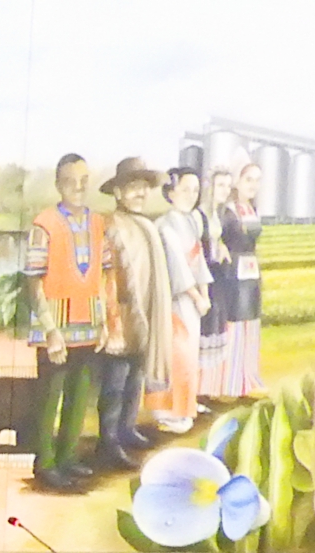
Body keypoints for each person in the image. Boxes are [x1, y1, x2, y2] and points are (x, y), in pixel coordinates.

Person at [24, 154, 113, 493]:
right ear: (59, 185)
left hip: (88, 323)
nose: (78, 187)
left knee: (79, 396)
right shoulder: (44, 224)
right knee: (49, 398)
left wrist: (103, 322)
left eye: (83, 181)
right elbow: (34, 281)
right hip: (56, 326)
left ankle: (68, 457)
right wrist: (50, 330)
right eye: (70, 181)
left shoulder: (98, 223)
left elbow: (103, 275)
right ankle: (45, 463)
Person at [97, 158, 171, 471]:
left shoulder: (147, 227)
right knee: (115, 381)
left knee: (135, 376)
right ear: (118, 192)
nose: (140, 193)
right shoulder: (110, 225)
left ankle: (127, 429)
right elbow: (105, 276)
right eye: (133, 187)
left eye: (144, 187)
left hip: (143, 315)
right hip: (120, 313)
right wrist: (110, 317)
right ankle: (108, 440)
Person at [154, 168, 212, 434]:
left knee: (190, 355)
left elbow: (198, 261)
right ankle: (169, 412)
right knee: (176, 354)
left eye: (195, 191)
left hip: (192, 300)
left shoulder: (191, 221)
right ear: (170, 192)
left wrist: (205, 294)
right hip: (174, 299)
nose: (191, 195)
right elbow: (178, 266)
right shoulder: (164, 225)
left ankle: (186, 406)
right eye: (185, 189)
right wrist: (197, 296)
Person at [217, 159, 265, 401]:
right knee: (235, 326)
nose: (253, 185)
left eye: (257, 180)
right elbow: (216, 236)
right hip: (233, 273)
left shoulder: (252, 209)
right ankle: (230, 382)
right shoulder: (228, 211)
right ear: (237, 181)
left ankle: (247, 379)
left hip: (251, 272)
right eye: (248, 179)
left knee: (250, 324)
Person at [198, 167, 236, 406]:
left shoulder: (217, 213)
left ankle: (206, 388)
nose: (225, 190)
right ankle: (197, 392)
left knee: (214, 327)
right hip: (204, 277)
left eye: (228, 186)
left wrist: (221, 248)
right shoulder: (200, 214)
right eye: (220, 185)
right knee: (203, 330)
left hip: (216, 277)